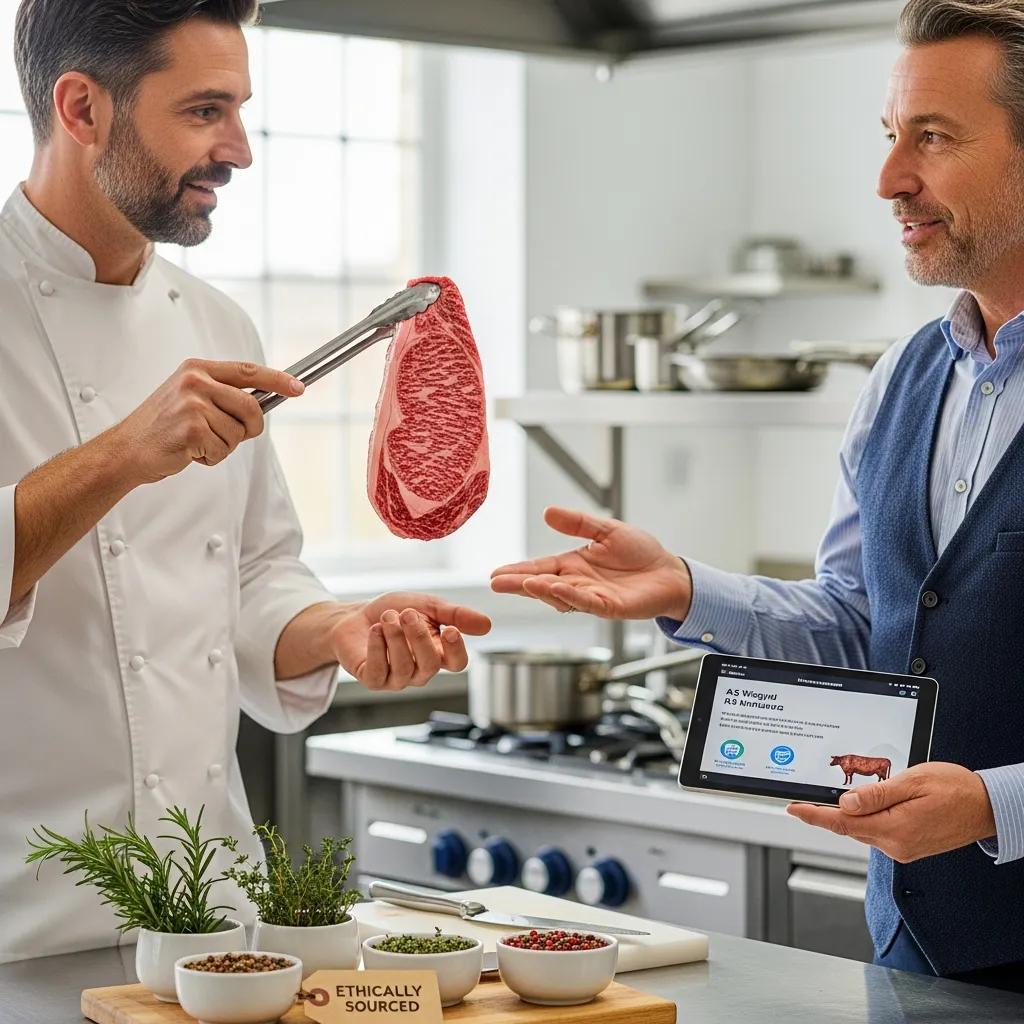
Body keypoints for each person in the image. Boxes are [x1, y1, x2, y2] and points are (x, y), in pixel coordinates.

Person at [493, 0, 1024, 992]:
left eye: (932, 138)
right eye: (887, 138)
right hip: (917, 943)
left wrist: (998, 804)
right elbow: (867, 617)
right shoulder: (903, 377)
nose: (887, 179)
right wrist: (682, 590)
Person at [0, 0, 490, 962]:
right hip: (16, 925)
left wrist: (339, 632)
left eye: (241, 111)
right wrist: (124, 453)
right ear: (82, 108)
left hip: (211, 922)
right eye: (203, 112)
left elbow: (257, 575)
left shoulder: (219, 325)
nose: (240, 150)